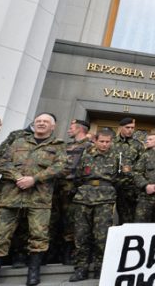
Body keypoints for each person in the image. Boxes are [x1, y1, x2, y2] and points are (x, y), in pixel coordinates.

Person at [0, 113, 67, 286]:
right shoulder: (18, 141)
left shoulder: (59, 145)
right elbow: (3, 162)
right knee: (0, 235)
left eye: (45, 122)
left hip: (39, 198)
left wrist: (34, 179)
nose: (41, 124)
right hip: (12, 195)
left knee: (38, 236)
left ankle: (33, 272)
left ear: (53, 126)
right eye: (38, 121)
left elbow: (61, 167)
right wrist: (18, 177)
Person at [68, 128, 121, 282]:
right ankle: (81, 269)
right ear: (95, 140)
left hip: (105, 200)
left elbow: (120, 178)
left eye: (107, 141)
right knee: (81, 235)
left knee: (102, 236)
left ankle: (101, 268)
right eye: (102, 141)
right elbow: (78, 175)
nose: (104, 144)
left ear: (111, 142)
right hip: (84, 197)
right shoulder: (86, 155)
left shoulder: (116, 157)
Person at [54, 119, 92, 265]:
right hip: (59, 188)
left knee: (72, 222)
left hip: (74, 189)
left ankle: (70, 253)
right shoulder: (66, 146)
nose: (68, 130)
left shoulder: (89, 147)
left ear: (80, 129)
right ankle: (55, 252)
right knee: (58, 220)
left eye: (71, 128)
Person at [112, 117, 142, 224]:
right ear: (120, 128)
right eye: (127, 127)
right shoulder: (112, 143)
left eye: (132, 128)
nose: (130, 130)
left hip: (130, 186)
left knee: (130, 217)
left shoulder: (137, 145)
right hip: (113, 184)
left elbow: (141, 165)